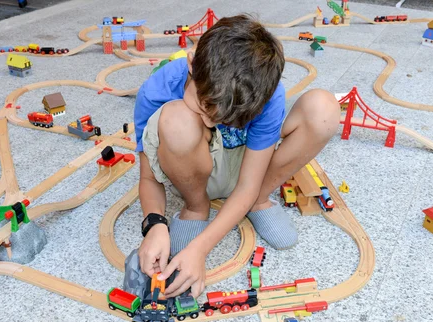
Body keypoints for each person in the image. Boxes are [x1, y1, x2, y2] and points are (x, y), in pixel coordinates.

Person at [134, 15, 340, 299]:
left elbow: (247, 184)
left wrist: (200, 248)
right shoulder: (157, 90)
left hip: (252, 170)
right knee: (177, 121)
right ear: (192, 63)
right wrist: (154, 224)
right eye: (203, 106)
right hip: (195, 170)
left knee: (324, 109)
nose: (210, 120)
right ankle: (196, 207)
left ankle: (258, 201)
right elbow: (148, 177)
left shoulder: (264, 93)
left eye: (227, 119)